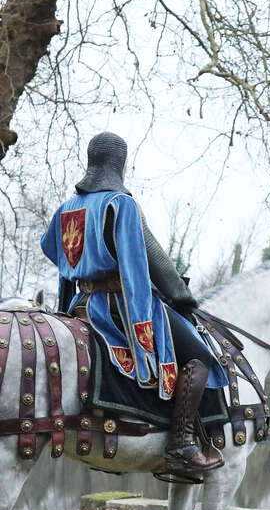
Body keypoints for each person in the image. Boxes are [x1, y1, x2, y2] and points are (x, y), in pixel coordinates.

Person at [41, 131, 227, 475]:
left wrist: (80, 273)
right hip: (116, 309)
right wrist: (179, 299)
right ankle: (182, 444)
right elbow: (142, 264)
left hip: (81, 304)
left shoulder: (67, 209)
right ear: (122, 163)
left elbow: (50, 246)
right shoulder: (120, 204)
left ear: (92, 160)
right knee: (201, 357)